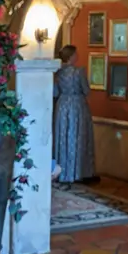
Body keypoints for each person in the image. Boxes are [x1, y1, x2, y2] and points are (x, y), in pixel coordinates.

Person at [53, 45, 96, 183]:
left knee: (63, 137)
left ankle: (62, 172)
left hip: (62, 106)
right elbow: (86, 90)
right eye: (76, 54)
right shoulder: (79, 72)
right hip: (77, 106)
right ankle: (77, 172)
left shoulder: (58, 72)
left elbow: (55, 92)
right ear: (71, 56)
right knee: (78, 137)